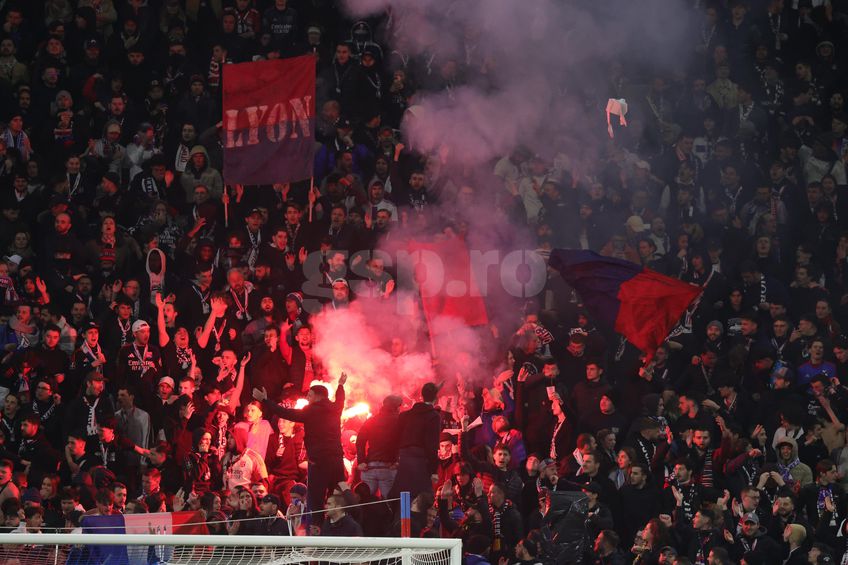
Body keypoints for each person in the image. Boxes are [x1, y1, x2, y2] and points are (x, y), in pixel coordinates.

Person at [253, 373, 347, 522]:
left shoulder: (311, 411)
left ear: (317, 396)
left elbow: (285, 413)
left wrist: (264, 400)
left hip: (318, 462)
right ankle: (337, 524)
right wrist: (341, 385)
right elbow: (340, 399)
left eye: (310, 395)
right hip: (336, 460)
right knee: (338, 494)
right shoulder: (336, 408)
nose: (307, 398)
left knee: (316, 498)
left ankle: (316, 527)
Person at [391, 382, 442, 499]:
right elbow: (432, 444)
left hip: (404, 459)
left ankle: (404, 512)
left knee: (404, 495)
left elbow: (395, 438)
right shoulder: (434, 416)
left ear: (422, 395)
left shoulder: (404, 415)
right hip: (420, 462)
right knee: (422, 497)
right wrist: (434, 471)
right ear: (435, 398)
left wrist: (394, 458)